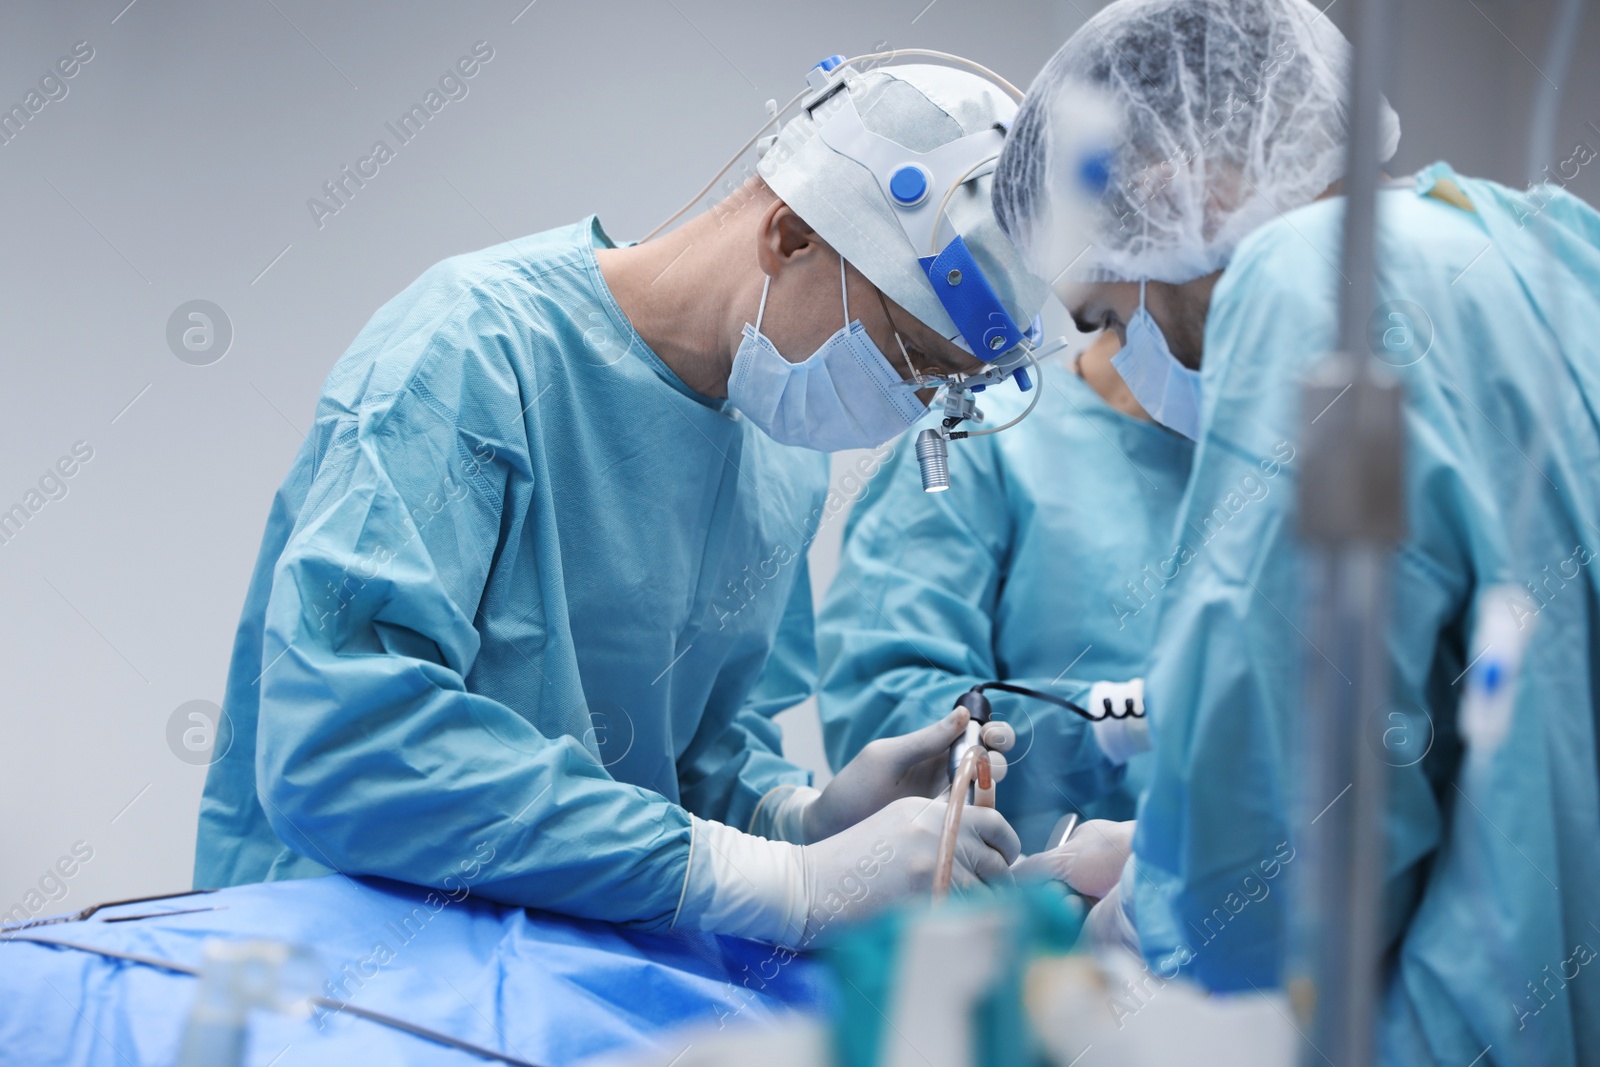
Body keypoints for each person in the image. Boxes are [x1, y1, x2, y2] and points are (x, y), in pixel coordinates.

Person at [194, 58, 1051, 949]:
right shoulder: (473, 353)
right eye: (912, 354)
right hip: (341, 977)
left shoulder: (776, 464)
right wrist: (778, 880)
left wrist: (804, 820)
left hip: (569, 988)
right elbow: (343, 744)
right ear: (792, 236)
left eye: (944, 386)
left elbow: (688, 770)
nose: (914, 404)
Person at [993, 0, 1600, 1062]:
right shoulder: (1548, 250)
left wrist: (1156, 912)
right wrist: (1154, 849)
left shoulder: (1306, 282)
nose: (1118, 353)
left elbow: (1267, 868)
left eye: (1109, 316)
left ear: (1174, 189)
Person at [817, 329, 1192, 855]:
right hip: (1021, 914)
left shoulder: (1266, 478)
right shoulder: (983, 439)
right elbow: (887, 725)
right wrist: (1126, 719)